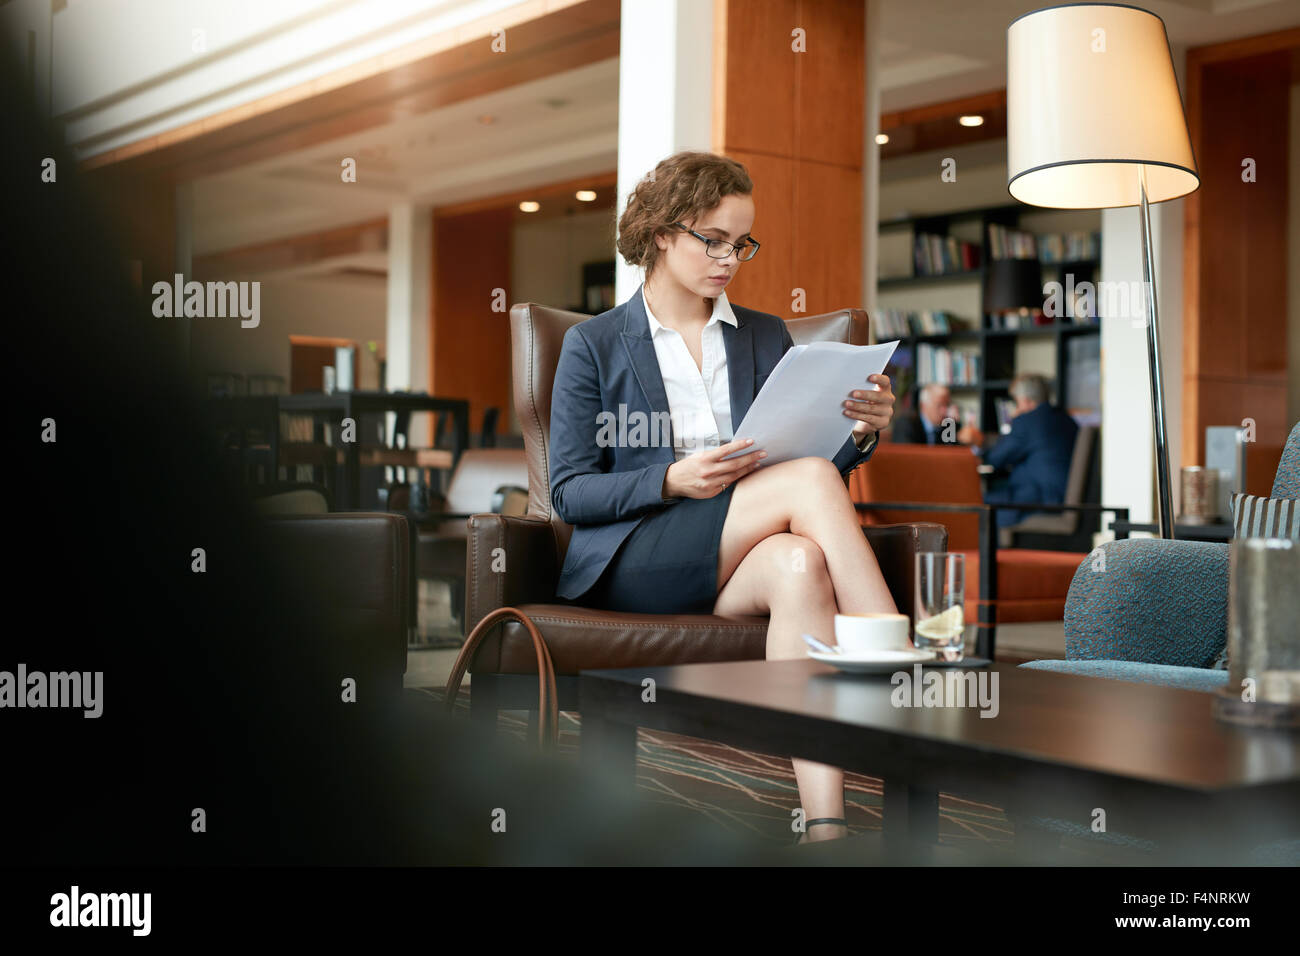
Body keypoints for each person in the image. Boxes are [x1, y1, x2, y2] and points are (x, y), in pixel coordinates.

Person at [548, 150, 897, 846]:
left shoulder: (763, 334)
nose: (730, 259)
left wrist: (858, 436)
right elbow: (568, 491)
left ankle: (823, 825)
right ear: (661, 235)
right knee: (806, 490)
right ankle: (895, 658)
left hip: (739, 552)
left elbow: (806, 466)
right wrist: (671, 479)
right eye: (714, 240)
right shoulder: (594, 344)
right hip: (637, 554)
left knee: (800, 560)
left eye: (741, 244)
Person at [958, 373, 1079, 527]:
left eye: (1017, 402)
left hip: (1041, 498)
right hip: (1061, 496)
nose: (1017, 408)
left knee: (975, 501)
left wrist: (980, 441)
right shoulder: (1066, 419)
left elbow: (996, 459)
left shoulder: (1026, 421)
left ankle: (983, 549)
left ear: (1026, 401)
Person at [890, 383, 962, 444]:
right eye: (939, 405)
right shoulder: (905, 424)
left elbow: (954, 454)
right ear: (923, 405)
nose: (945, 410)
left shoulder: (949, 426)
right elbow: (905, 456)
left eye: (947, 405)